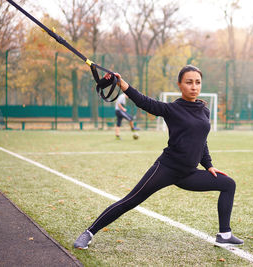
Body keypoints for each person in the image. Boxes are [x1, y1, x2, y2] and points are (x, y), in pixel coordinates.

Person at [73, 65, 243, 249]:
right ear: (180, 85)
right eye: (189, 82)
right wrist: (122, 83)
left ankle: (224, 234)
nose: (194, 87)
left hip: (189, 174)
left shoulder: (203, 109)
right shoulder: (172, 109)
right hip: (166, 169)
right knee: (131, 200)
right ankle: (89, 232)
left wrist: (208, 165)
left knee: (228, 184)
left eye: (197, 82)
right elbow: (144, 102)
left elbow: (202, 141)